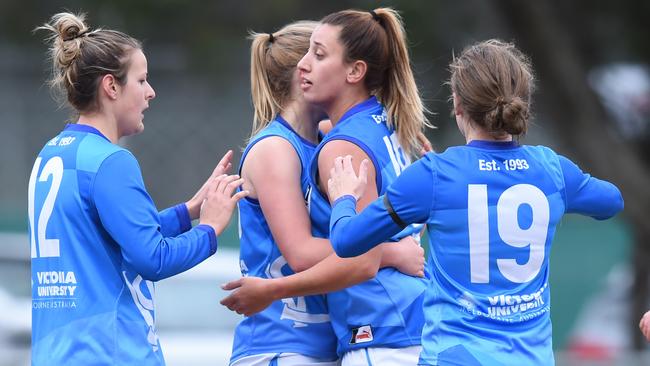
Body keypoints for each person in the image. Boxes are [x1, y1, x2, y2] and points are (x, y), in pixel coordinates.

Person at [325, 40, 625, 365]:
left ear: (457, 105)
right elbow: (612, 202)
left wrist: (343, 198)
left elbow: (346, 241)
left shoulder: (434, 175)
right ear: (523, 102)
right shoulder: (551, 169)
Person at [29, 12, 247, 365]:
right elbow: (152, 258)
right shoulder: (111, 161)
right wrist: (211, 228)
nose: (150, 92)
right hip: (109, 354)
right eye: (141, 80)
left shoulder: (52, 153)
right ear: (111, 86)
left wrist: (188, 211)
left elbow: (111, 238)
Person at [228, 20, 425, 366]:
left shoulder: (333, 138)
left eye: (319, 55)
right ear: (298, 75)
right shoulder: (277, 148)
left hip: (330, 340)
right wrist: (391, 253)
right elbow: (302, 252)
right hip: (282, 341)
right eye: (309, 54)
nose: (309, 63)